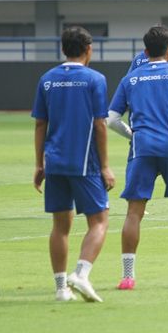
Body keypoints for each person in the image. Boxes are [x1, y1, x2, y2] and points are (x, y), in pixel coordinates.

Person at [107, 26, 168, 290]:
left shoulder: (131, 79)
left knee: (134, 212)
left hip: (142, 148)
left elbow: (112, 120)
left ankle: (128, 277)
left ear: (145, 51)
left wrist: (133, 136)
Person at [32, 26, 114, 302]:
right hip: (84, 162)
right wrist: (105, 166)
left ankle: (60, 289)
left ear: (63, 49)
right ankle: (80, 274)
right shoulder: (95, 79)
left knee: (60, 225)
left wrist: (39, 163)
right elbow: (100, 124)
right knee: (100, 220)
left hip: (54, 161)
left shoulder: (47, 79)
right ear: (89, 50)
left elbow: (40, 124)